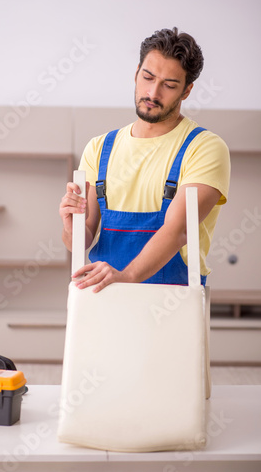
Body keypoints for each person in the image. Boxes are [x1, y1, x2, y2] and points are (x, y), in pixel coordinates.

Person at [59, 27, 230, 293]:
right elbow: (81, 240)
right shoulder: (99, 148)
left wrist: (125, 277)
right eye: (147, 77)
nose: (152, 93)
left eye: (169, 85)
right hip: (104, 299)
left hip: (173, 306)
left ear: (186, 91)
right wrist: (72, 227)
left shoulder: (204, 148)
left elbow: (178, 230)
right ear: (136, 72)